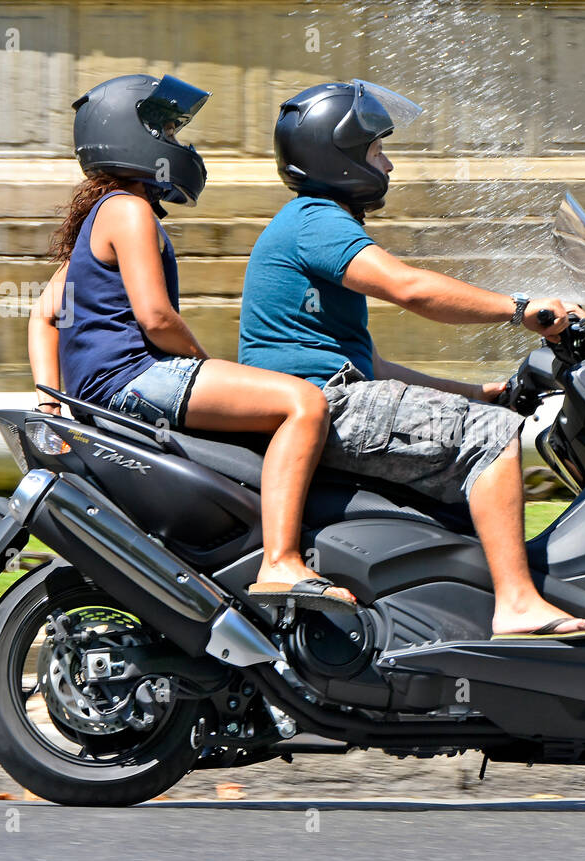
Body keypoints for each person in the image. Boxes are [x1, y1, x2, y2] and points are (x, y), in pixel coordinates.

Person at [238, 80, 585, 641]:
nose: (388, 164)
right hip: (328, 405)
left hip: (331, 397)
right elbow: (410, 289)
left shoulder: (304, 222)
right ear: (336, 158)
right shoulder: (318, 220)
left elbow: (376, 370)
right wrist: (519, 309)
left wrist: (478, 392)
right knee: (493, 436)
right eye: (375, 151)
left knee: (484, 415)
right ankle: (516, 604)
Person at [26, 73, 355, 612]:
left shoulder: (101, 214)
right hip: (135, 376)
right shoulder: (129, 211)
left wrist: (50, 400)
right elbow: (155, 318)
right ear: (127, 133)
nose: (178, 145)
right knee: (304, 402)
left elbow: (45, 316)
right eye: (167, 131)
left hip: (104, 388)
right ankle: (281, 563)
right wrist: (201, 362)